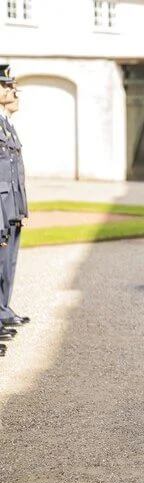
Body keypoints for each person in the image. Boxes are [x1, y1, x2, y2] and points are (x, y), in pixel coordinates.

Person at [0, 65, 29, 333]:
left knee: (8, 261)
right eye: (8, 86)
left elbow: (15, 173)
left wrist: (21, 208)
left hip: (10, 205)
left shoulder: (7, 127)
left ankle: (3, 310)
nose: (13, 91)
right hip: (1, 205)